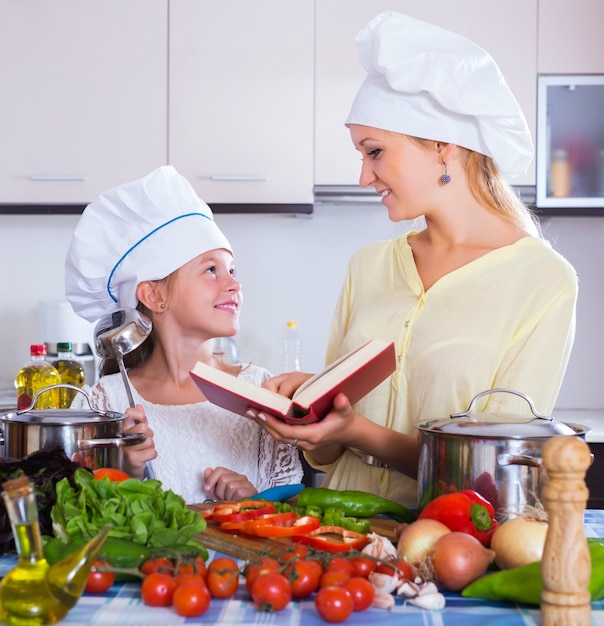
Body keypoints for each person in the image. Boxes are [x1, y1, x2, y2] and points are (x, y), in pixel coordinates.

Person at [247, 12, 578, 507]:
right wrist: (313, 414)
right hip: (340, 541)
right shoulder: (369, 266)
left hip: (449, 550)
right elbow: (328, 455)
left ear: (443, 146)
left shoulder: (544, 282)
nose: (364, 176)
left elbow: (492, 472)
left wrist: (358, 430)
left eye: (374, 151)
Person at [64, 165, 303, 503]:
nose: (234, 284)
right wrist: (125, 475)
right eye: (211, 270)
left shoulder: (260, 392)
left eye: (232, 270)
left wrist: (255, 501)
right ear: (154, 296)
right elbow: (78, 515)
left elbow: (293, 519)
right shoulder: (103, 404)